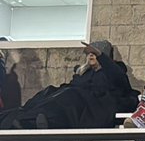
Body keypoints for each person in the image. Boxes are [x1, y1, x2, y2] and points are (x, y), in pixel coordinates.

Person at [0, 40, 136, 130]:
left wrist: (102, 57)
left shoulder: (113, 71)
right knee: (50, 92)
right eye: (89, 54)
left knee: (68, 95)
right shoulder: (83, 74)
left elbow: (118, 81)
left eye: (95, 54)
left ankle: (36, 120)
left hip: (90, 105)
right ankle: (23, 118)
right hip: (75, 100)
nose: (91, 56)